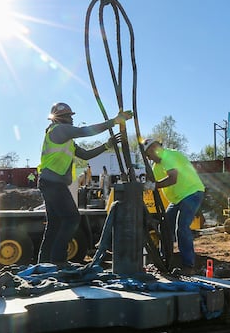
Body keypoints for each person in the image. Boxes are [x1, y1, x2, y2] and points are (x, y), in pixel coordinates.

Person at [37, 102, 132, 267]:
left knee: (55, 224)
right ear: (61, 118)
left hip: (50, 182)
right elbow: (84, 131)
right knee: (71, 218)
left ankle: (44, 263)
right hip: (53, 183)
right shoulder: (59, 129)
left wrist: (107, 145)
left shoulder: (66, 139)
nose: (72, 119)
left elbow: (86, 155)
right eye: (69, 116)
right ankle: (58, 260)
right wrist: (114, 121)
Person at [141, 138, 205, 274]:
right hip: (177, 199)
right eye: (151, 151)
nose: (155, 151)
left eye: (156, 147)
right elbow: (153, 182)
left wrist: (154, 185)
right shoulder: (155, 167)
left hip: (191, 192)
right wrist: (147, 184)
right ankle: (165, 261)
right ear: (148, 156)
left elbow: (172, 178)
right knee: (164, 226)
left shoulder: (169, 156)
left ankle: (189, 266)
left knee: (181, 228)